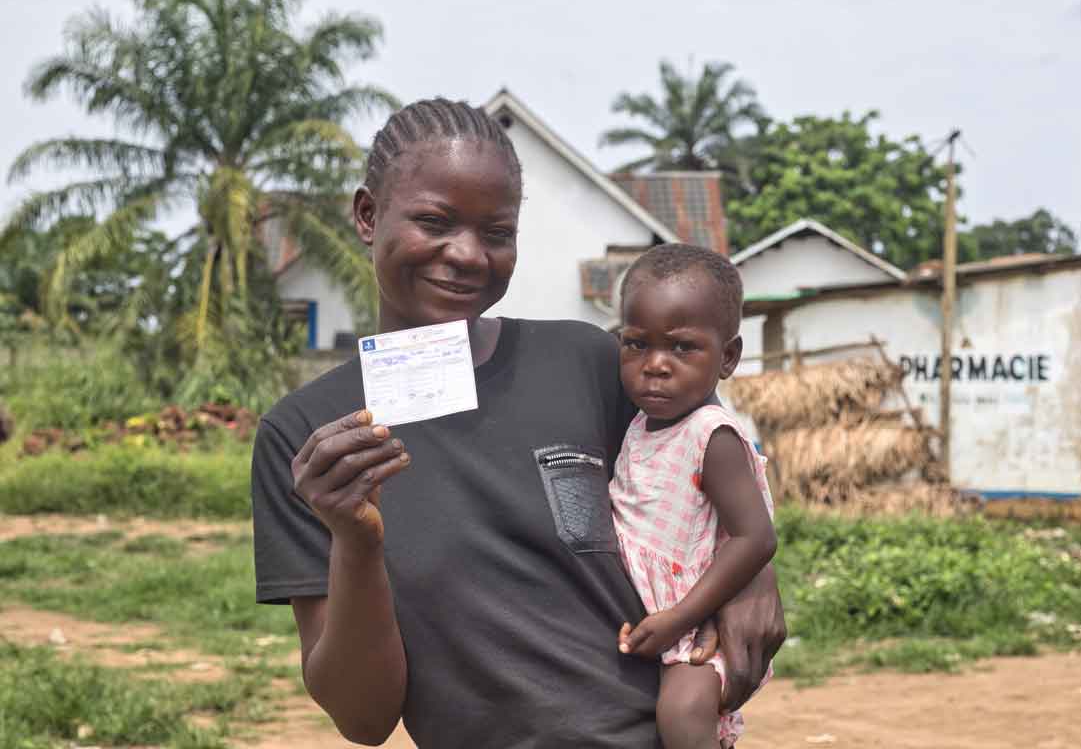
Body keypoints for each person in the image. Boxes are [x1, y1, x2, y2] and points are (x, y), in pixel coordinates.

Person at [251, 98, 786, 748]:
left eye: (497, 232)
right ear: (367, 216)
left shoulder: (586, 361)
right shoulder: (309, 439)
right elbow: (365, 720)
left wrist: (758, 576)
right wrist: (357, 541)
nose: (468, 254)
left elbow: (714, 459)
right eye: (434, 221)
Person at [609, 244, 776, 749]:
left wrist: (679, 619)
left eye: (682, 348)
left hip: (696, 626)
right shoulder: (640, 424)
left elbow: (755, 538)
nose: (655, 365)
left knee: (681, 716)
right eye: (636, 345)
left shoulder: (712, 436)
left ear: (728, 357)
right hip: (652, 618)